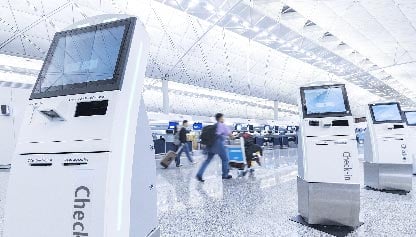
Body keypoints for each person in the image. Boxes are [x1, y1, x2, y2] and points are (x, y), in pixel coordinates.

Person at [196, 113, 233, 182]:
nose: (223, 119)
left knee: (208, 160)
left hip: (211, 144)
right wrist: (234, 137)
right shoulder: (222, 125)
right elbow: (230, 135)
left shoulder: (214, 126)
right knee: (225, 159)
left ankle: (199, 173)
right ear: (220, 118)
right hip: (218, 144)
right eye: (223, 118)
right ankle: (225, 175)